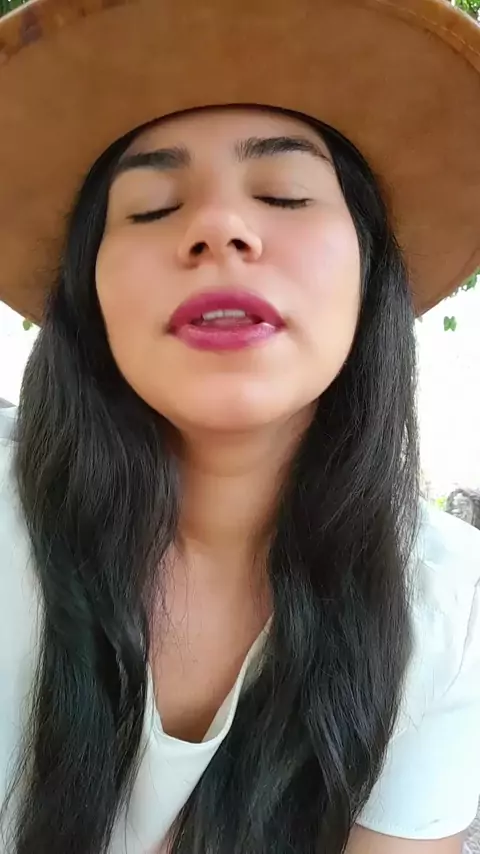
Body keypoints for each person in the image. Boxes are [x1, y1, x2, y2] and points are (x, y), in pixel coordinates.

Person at [0, 0, 480, 852]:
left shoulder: (451, 609)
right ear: (88, 294)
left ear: (372, 273)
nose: (219, 228)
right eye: (151, 207)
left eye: (286, 194)